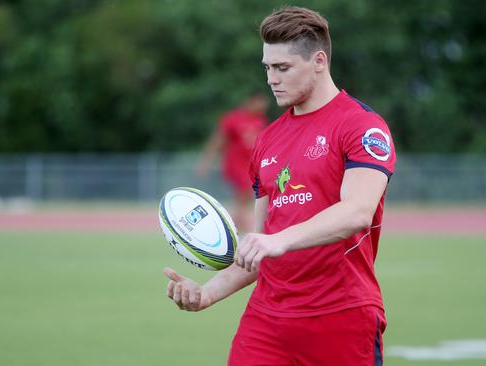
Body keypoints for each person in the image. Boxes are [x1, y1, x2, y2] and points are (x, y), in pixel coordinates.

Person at [165, 6, 396, 366]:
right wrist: (206, 294)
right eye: (267, 68)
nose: (272, 78)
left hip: (340, 318)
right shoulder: (267, 139)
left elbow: (357, 212)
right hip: (266, 322)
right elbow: (259, 246)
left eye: (283, 68)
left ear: (319, 61)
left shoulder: (362, 127)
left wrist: (277, 241)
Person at [196, 93, 268, 232]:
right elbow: (218, 141)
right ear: (250, 101)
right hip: (235, 165)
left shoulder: (260, 120)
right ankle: (242, 225)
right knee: (244, 193)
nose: (263, 107)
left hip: (251, 166)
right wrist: (205, 162)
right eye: (260, 103)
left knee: (245, 197)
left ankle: (235, 224)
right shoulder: (233, 119)